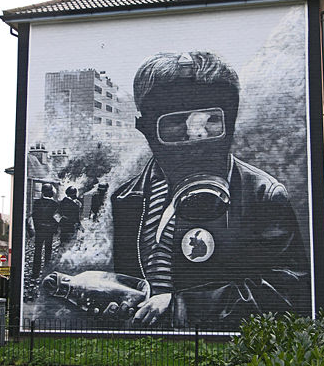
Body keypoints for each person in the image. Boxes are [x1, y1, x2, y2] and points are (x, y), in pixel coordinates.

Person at [111, 51, 309, 328]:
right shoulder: (127, 199)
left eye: (210, 120)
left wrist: (183, 306)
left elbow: (289, 290)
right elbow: (128, 281)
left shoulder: (262, 195)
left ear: (231, 122)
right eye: (177, 123)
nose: (197, 136)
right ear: (144, 128)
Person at [32, 183, 58, 279]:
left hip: (39, 231)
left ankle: (35, 273)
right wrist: (54, 229)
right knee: (48, 251)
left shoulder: (37, 203)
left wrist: (37, 228)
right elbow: (57, 219)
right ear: (51, 193)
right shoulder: (55, 205)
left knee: (37, 251)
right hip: (49, 231)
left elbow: (34, 216)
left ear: (42, 192)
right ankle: (46, 273)